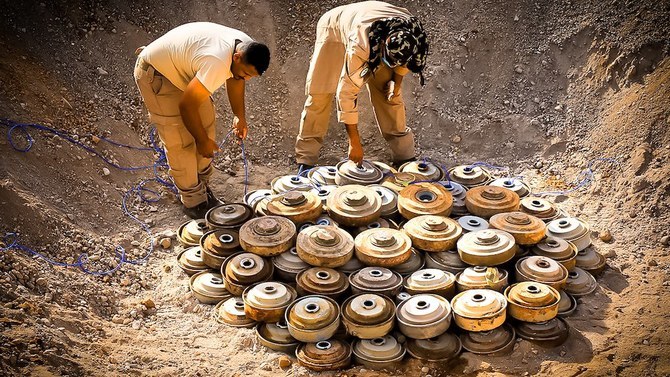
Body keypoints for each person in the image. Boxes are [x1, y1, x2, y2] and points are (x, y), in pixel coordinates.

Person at [134, 22, 270, 219]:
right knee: (181, 142)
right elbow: (186, 106)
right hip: (157, 74)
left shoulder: (245, 47)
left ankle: (201, 187)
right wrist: (201, 140)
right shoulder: (216, 62)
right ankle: (193, 202)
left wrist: (239, 116)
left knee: (205, 127)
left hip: (185, 71)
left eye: (251, 76)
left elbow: (236, 78)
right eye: (247, 73)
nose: (247, 79)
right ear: (236, 57)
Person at [294, 1, 428, 173]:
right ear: (382, 46)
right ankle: (306, 158)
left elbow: (404, 64)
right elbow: (346, 93)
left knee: (389, 93)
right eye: (390, 61)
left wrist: (397, 82)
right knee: (320, 93)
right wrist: (354, 143)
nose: (393, 66)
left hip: (371, 22)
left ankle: (404, 155)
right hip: (333, 29)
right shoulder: (361, 45)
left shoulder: (415, 37)